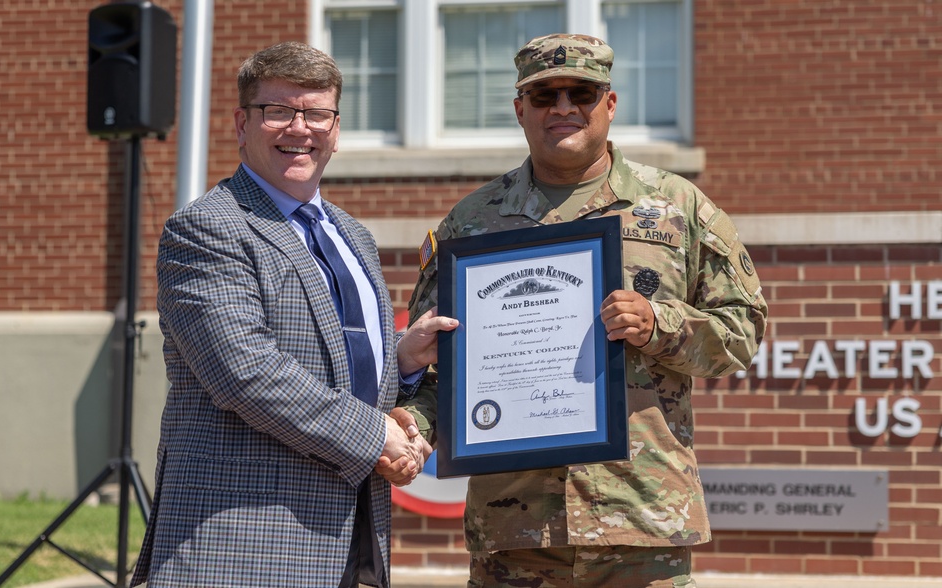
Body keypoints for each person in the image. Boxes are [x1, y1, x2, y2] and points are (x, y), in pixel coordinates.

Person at [402, 34, 768, 588]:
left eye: (582, 92)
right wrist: (414, 428)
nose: (565, 107)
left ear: (610, 104)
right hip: (515, 529)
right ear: (520, 109)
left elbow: (742, 333)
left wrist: (658, 324)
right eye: (546, 95)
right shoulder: (471, 224)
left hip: (641, 521)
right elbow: (439, 364)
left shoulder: (677, 208)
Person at [131, 42, 457, 588]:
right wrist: (376, 435)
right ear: (242, 123)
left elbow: (330, 359)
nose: (299, 128)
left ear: (335, 127)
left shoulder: (352, 235)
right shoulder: (209, 228)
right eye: (278, 111)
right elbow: (246, 374)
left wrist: (400, 364)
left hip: (354, 538)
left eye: (317, 113)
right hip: (242, 546)